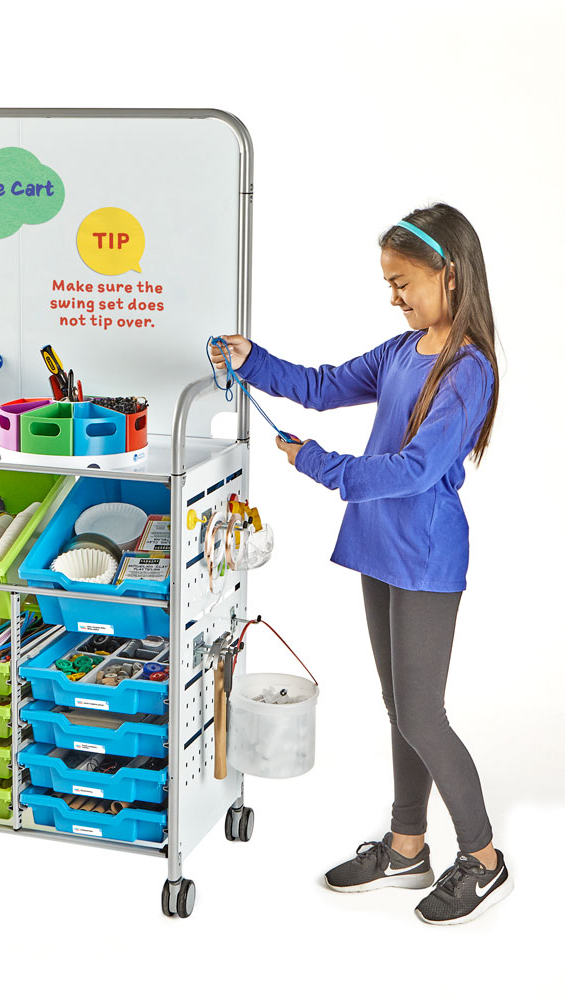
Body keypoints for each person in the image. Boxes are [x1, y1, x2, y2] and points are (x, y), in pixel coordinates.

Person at [209, 203, 510, 925]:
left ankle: (484, 858)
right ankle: (407, 847)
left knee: (423, 715)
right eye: (388, 284)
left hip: (426, 553)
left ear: (449, 273)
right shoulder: (402, 351)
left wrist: (319, 464)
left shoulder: (467, 369)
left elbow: (413, 469)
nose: (395, 297)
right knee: (399, 709)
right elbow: (322, 386)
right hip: (379, 543)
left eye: (403, 283)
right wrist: (254, 361)